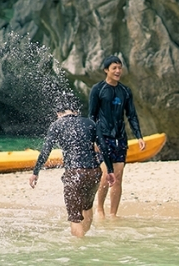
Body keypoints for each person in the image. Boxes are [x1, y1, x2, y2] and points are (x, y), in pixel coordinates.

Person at [28, 91, 116, 237]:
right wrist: (110, 171)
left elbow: (45, 151)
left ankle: (79, 250)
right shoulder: (90, 123)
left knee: (74, 217)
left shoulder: (56, 125)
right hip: (94, 172)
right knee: (87, 207)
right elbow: (104, 148)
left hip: (74, 173)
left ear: (59, 113)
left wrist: (35, 172)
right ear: (75, 111)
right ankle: (85, 238)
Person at [89, 55, 146, 218]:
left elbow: (132, 115)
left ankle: (113, 214)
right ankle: (100, 209)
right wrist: (93, 139)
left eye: (120, 68)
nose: (118, 71)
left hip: (120, 137)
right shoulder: (97, 89)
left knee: (118, 177)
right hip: (103, 136)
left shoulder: (125, 91)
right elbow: (91, 116)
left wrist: (139, 136)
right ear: (106, 70)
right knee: (107, 175)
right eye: (114, 68)